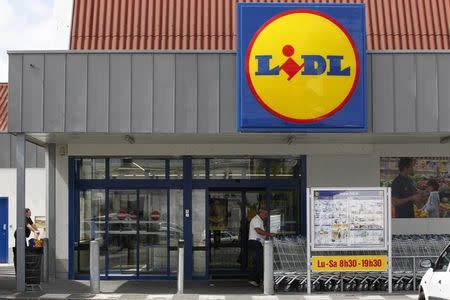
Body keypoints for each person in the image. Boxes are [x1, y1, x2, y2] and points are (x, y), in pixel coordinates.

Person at [248, 208, 276, 287]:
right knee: (258, 262)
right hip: (255, 242)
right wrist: (269, 234)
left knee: (258, 261)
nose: (266, 216)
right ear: (261, 213)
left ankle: (256, 280)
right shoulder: (256, 219)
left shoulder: (259, 220)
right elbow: (258, 231)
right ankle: (252, 279)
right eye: (265, 214)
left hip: (258, 243)